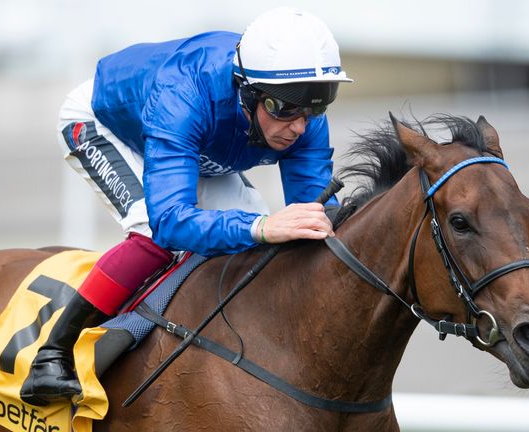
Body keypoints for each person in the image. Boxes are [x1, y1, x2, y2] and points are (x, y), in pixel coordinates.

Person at [20, 7, 352, 406]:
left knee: (267, 239)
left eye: (314, 108)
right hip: (107, 124)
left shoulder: (301, 115)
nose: (299, 126)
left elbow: (316, 214)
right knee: (152, 231)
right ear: (246, 92)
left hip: (194, 144)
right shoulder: (184, 92)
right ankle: (53, 353)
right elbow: (171, 222)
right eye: (284, 109)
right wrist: (261, 226)